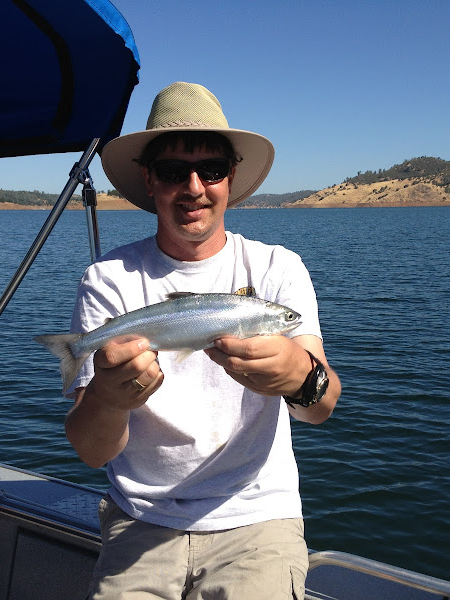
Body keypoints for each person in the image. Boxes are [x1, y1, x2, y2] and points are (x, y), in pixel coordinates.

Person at [64, 81, 341, 599]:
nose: (194, 187)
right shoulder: (107, 280)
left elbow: (322, 407)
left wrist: (299, 376)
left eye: (211, 169)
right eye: (173, 171)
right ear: (149, 179)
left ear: (230, 176)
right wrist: (108, 397)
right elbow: (92, 451)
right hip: (139, 518)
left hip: (257, 520)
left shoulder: (278, 268)